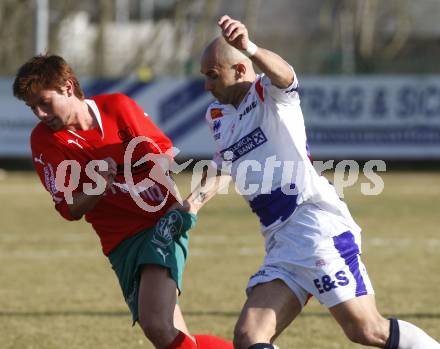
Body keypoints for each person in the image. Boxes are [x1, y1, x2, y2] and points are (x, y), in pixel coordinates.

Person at [176, 15, 440, 349]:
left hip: (313, 224)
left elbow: (287, 76)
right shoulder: (217, 116)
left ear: (240, 70)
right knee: (249, 336)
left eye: (213, 76)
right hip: (280, 240)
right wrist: (193, 203)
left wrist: (250, 48)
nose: (207, 86)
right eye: (204, 77)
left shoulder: (270, 94)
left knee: (367, 329)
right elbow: (224, 163)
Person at [13, 54, 233, 349]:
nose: (39, 113)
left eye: (44, 102)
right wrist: (97, 186)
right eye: (32, 108)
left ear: (67, 87)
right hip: (119, 244)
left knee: (156, 323)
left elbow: (165, 156)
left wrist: (131, 164)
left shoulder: (117, 107)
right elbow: (69, 208)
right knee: (168, 334)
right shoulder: (44, 141)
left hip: (162, 222)